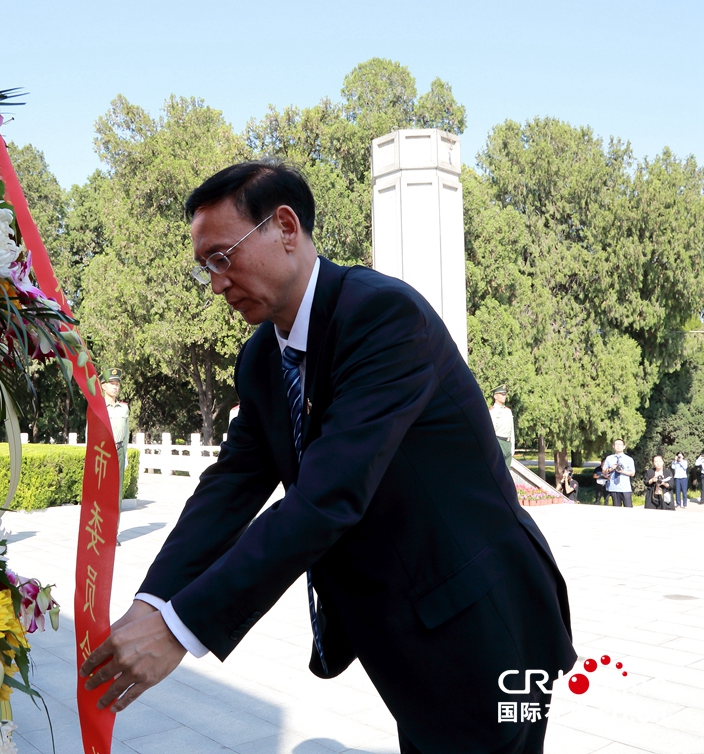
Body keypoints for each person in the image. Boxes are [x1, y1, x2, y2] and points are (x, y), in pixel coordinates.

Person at [80, 160, 576, 754]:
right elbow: (229, 486)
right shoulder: (263, 358)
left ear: (285, 228)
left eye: (222, 256)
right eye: (204, 268)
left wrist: (181, 630)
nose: (215, 284)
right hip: (407, 631)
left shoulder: (382, 317)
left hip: (483, 619)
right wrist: (154, 602)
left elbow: (327, 496)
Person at [103, 368, 130, 543]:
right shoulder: (98, 407)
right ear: (103, 385)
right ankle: (100, 531)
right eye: (111, 384)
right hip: (103, 453)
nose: (115, 387)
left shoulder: (124, 408)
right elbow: (91, 433)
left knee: (116, 495)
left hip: (119, 451)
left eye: (117, 384)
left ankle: (113, 533)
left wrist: (125, 455)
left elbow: (126, 433)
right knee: (103, 494)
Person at [603, 439, 636, 508]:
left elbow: (632, 473)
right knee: (616, 509)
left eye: (620, 444)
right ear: (613, 446)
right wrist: (611, 468)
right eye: (616, 444)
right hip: (613, 487)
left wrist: (622, 471)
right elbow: (604, 471)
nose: (618, 446)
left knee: (628, 508)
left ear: (624, 446)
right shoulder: (609, 458)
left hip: (625, 488)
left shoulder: (629, 459)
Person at [489, 385, 515, 467]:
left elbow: (512, 430)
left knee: (507, 472)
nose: (504, 396)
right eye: (502, 394)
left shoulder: (508, 411)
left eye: (505, 394)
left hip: (508, 444)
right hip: (498, 442)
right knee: (497, 471)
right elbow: (491, 431)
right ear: (495, 396)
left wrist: (512, 446)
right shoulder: (493, 411)